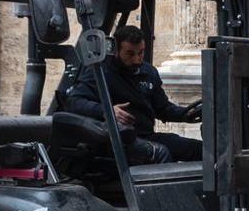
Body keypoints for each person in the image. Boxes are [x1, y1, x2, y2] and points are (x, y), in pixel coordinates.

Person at [60, 25, 204, 163]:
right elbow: (74, 101)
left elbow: (163, 109)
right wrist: (107, 111)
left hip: (146, 136)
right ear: (116, 50)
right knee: (159, 152)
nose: (136, 59)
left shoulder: (148, 72)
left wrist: (187, 113)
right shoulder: (101, 71)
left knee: (199, 149)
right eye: (130, 54)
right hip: (115, 140)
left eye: (140, 53)